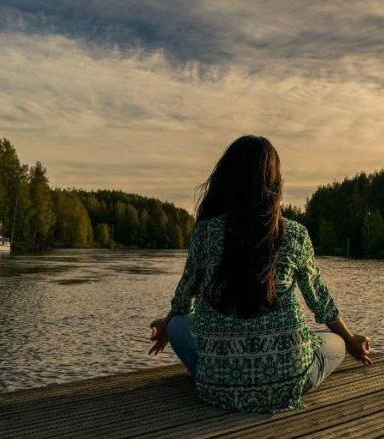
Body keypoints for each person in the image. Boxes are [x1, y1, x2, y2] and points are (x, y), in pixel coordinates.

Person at [148, 135, 372, 413]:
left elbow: (184, 296)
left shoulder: (205, 232)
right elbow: (320, 303)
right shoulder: (295, 234)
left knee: (180, 324)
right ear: (274, 182)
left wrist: (168, 323)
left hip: (217, 387)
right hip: (288, 382)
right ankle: (307, 356)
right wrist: (351, 341)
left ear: (226, 180)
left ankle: (220, 371)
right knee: (335, 341)